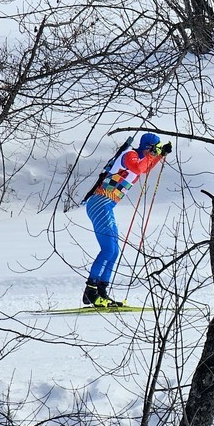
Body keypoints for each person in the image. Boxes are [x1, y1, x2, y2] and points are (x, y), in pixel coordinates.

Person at [82, 132, 172, 307]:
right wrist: (155, 154)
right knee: (108, 249)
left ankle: (101, 291)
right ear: (148, 147)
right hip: (100, 201)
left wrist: (160, 155)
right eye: (155, 148)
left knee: (114, 251)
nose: (154, 152)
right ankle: (90, 291)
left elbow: (145, 168)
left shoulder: (140, 158)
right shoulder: (130, 155)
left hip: (107, 204)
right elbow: (138, 168)